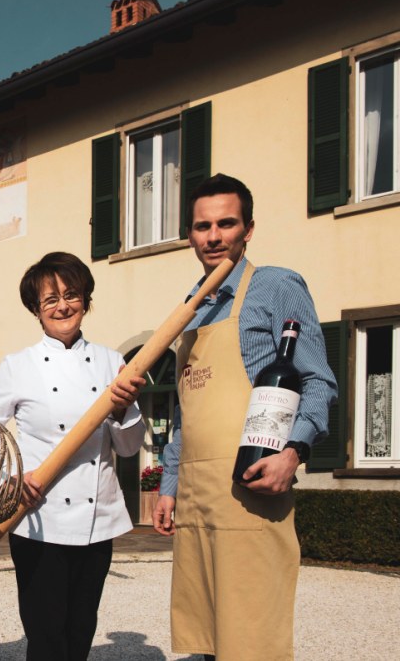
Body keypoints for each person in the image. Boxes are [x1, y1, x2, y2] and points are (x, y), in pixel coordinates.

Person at [152, 174, 337, 661]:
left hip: (252, 489)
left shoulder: (276, 286)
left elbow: (317, 381)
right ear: (190, 235)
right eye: (202, 226)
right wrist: (170, 485)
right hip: (197, 498)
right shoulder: (190, 308)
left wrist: (293, 453)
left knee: (253, 638)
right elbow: (184, 409)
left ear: (248, 229)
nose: (213, 236)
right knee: (207, 637)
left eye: (226, 223)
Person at [0, 251, 146, 661]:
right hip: (37, 520)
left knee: (81, 629)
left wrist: (120, 409)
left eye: (72, 294)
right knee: (46, 637)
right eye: (50, 299)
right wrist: (11, 479)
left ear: (85, 300)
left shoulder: (111, 362)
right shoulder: (17, 366)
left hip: (95, 522)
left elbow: (130, 446)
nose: (63, 306)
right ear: (36, 310)